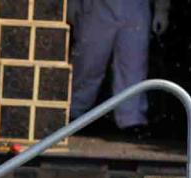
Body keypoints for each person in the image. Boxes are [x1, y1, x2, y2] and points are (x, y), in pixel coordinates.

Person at [69, 0, 171, 131]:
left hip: (136, 7)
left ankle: (132, 118)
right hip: (97, 6)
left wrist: (161, 9)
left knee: (133, 66)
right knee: (89, 62)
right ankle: (74, 111)